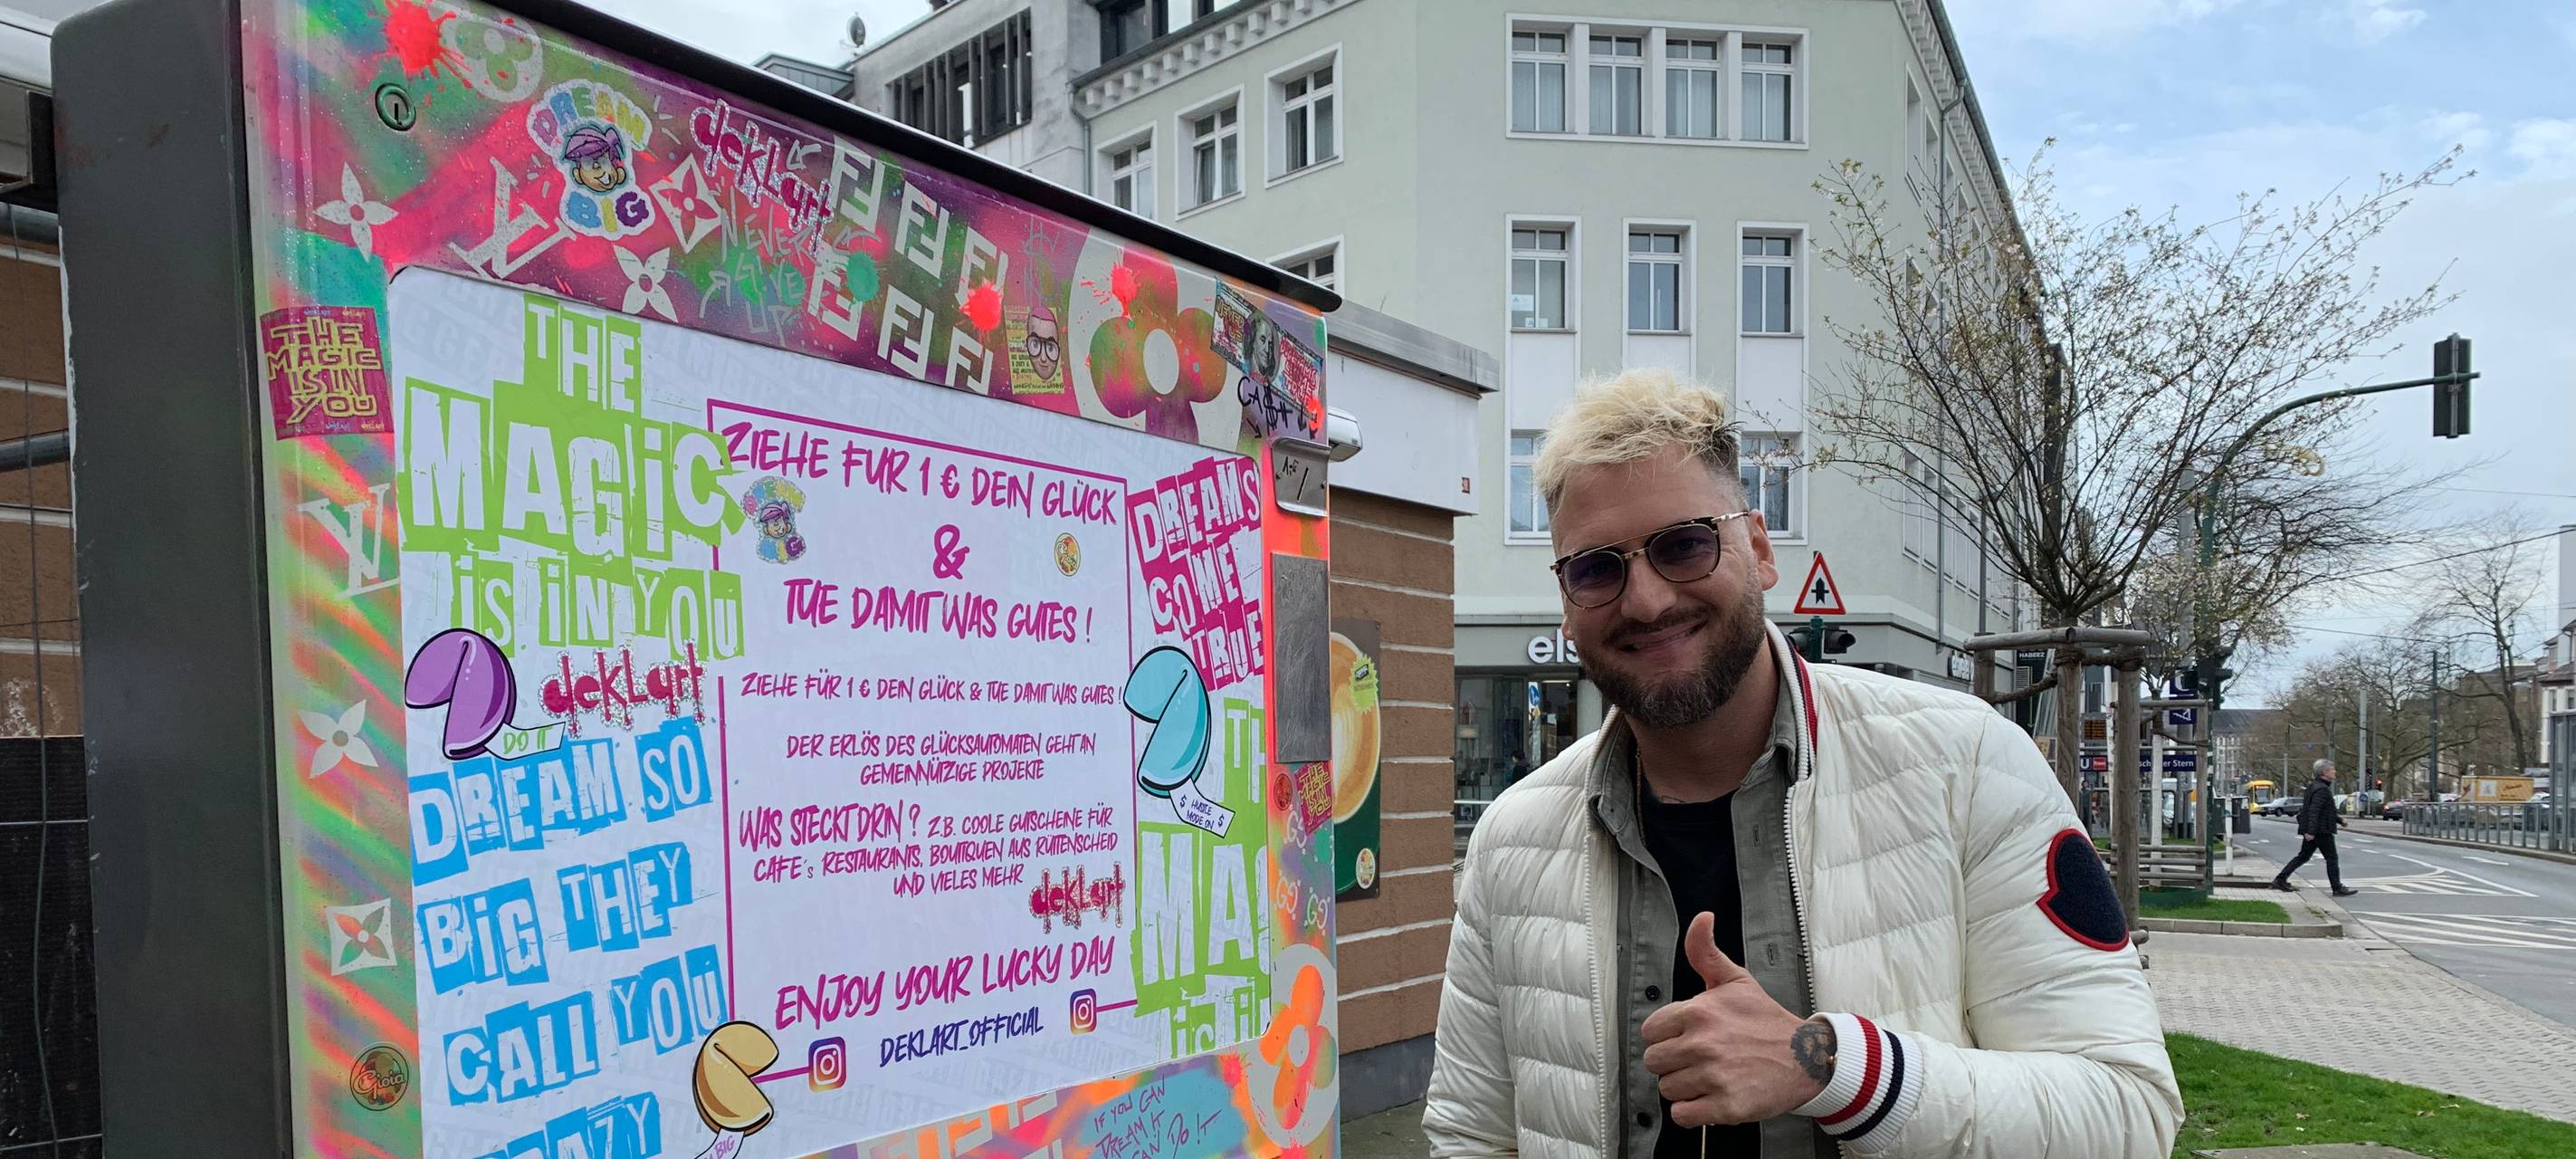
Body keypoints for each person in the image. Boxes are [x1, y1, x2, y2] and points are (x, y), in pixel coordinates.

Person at [1423, 370, 2180, 1159]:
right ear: (1566, 599)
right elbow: (1471, 1136)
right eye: (1596, 568)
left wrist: (1839, 1072)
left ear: (1756, 547)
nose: (1644, 600)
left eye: (1683, 544)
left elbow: (2126, 1115)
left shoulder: (1967, 765)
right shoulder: (1513, 839)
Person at [2272, 760, 2358, 896]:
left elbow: (2324, 810)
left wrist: (2339, 820)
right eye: (2332, 769)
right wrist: (2311, 831)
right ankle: (2337, 888)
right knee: (2331, 858)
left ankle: (2281, 879)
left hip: (2316, 829)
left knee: (2303, 856)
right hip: (2321, 830)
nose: (2335, 772)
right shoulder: (2322, 789)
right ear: (2325, 772)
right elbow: (2314, 810)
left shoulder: (2314, 787)